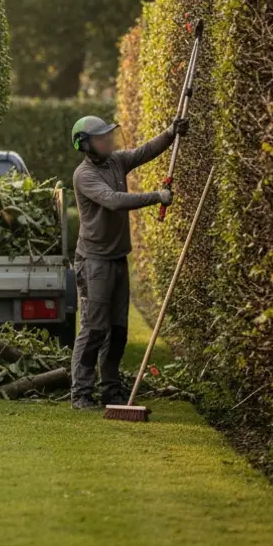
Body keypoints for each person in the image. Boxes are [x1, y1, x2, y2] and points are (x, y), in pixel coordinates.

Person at [68, 114, 188, 410]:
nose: (108, 140)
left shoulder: (116, 161)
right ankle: (81, 393)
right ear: (85, 145)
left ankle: (111, 390)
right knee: (94, 329)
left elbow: (145, 151)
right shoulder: (84, 175)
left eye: (108, 135)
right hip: (94, 262)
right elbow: (113, 200)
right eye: (101, 138)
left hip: (118, 257)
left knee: (118, 330)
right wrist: (156, 196)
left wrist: (170, 132)